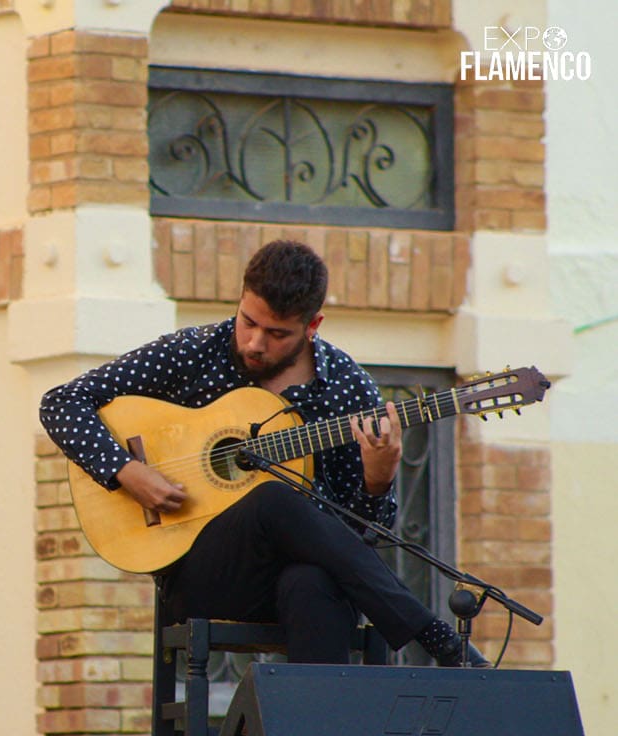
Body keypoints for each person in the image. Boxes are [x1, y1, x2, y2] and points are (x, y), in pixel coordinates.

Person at [39, 239, 487, 667]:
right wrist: (124, 471)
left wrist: (379, 478)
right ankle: (433, 635)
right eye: (248, 321)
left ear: (312, 326)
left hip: (301, 579)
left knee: (312, 582)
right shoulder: (193, 353)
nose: (255, 342)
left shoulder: (348, 389)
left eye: (275, 333)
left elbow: (359, 537)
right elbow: (61, 402)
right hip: (203, 574)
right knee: (272, 499)